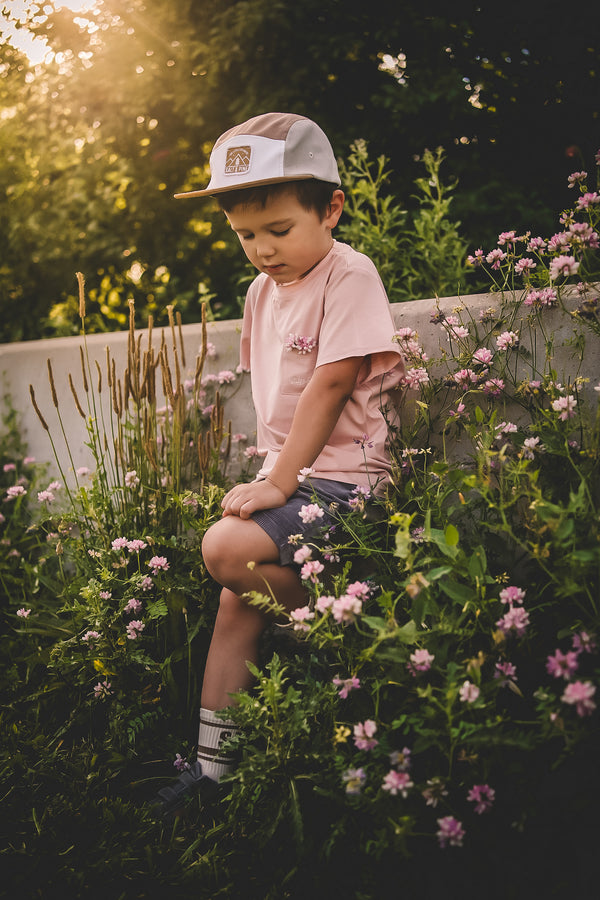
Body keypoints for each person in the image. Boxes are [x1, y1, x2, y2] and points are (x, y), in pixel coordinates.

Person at [156, 112, 404, 819]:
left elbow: (329, 386)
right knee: (237, 600)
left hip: (346, 483)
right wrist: (272, 472)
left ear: (330, 208)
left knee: (225, 547)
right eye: (245, 236)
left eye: (279, 230)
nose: (262, 250)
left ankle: (356, 624)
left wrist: (277, 482)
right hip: (297, 477)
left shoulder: (349, 275)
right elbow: (272, 397)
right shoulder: (262, 291)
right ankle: (214, 770)